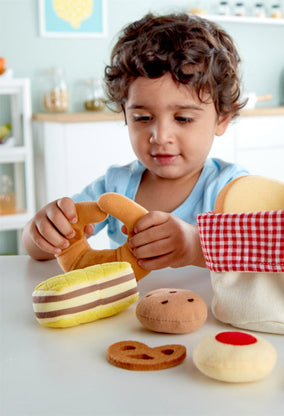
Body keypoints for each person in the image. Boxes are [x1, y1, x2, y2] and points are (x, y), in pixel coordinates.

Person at [22, 13, 248, 270]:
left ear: (222, 120)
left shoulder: (231, 188)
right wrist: (40, 231)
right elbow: (40, 252)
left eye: (183, 118)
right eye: (142, 117)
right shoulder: (115, 185)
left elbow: (260, 253)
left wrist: (196, 246)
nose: (160, 136)